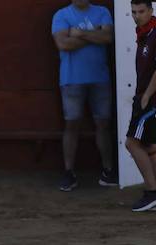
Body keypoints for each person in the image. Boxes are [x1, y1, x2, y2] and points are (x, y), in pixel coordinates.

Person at [51, 0, 116, 193]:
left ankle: (108, 170)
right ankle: (69, 171)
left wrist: (78, 34)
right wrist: (94, 34)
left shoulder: (102, 11)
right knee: (72, 124)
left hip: (99, 78)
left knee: (103, 124)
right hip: (72, 79)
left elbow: (108, 37)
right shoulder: (61, 15)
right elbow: (63, 43)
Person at [126, 0, 156, 213]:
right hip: (150, 98)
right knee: (150, 146)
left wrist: (146, 96)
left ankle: (153, 192)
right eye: (134, 12)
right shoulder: (145, 33)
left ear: (151, 11)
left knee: (132, 143)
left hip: (151, 100)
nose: (137, 15)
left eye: (141, 11)